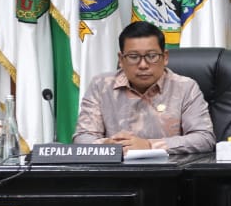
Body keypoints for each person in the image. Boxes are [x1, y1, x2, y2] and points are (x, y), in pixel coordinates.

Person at [72, 20, 215, 154]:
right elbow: (82, 137)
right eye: (134, 57)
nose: (143, 65)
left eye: (152, 56)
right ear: (121, 59)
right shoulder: (101, 86)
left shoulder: (185, 87)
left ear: (165, 57)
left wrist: (149, 146)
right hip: (115, 170)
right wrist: (108, 145)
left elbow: (204, 138)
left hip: (169, 170)